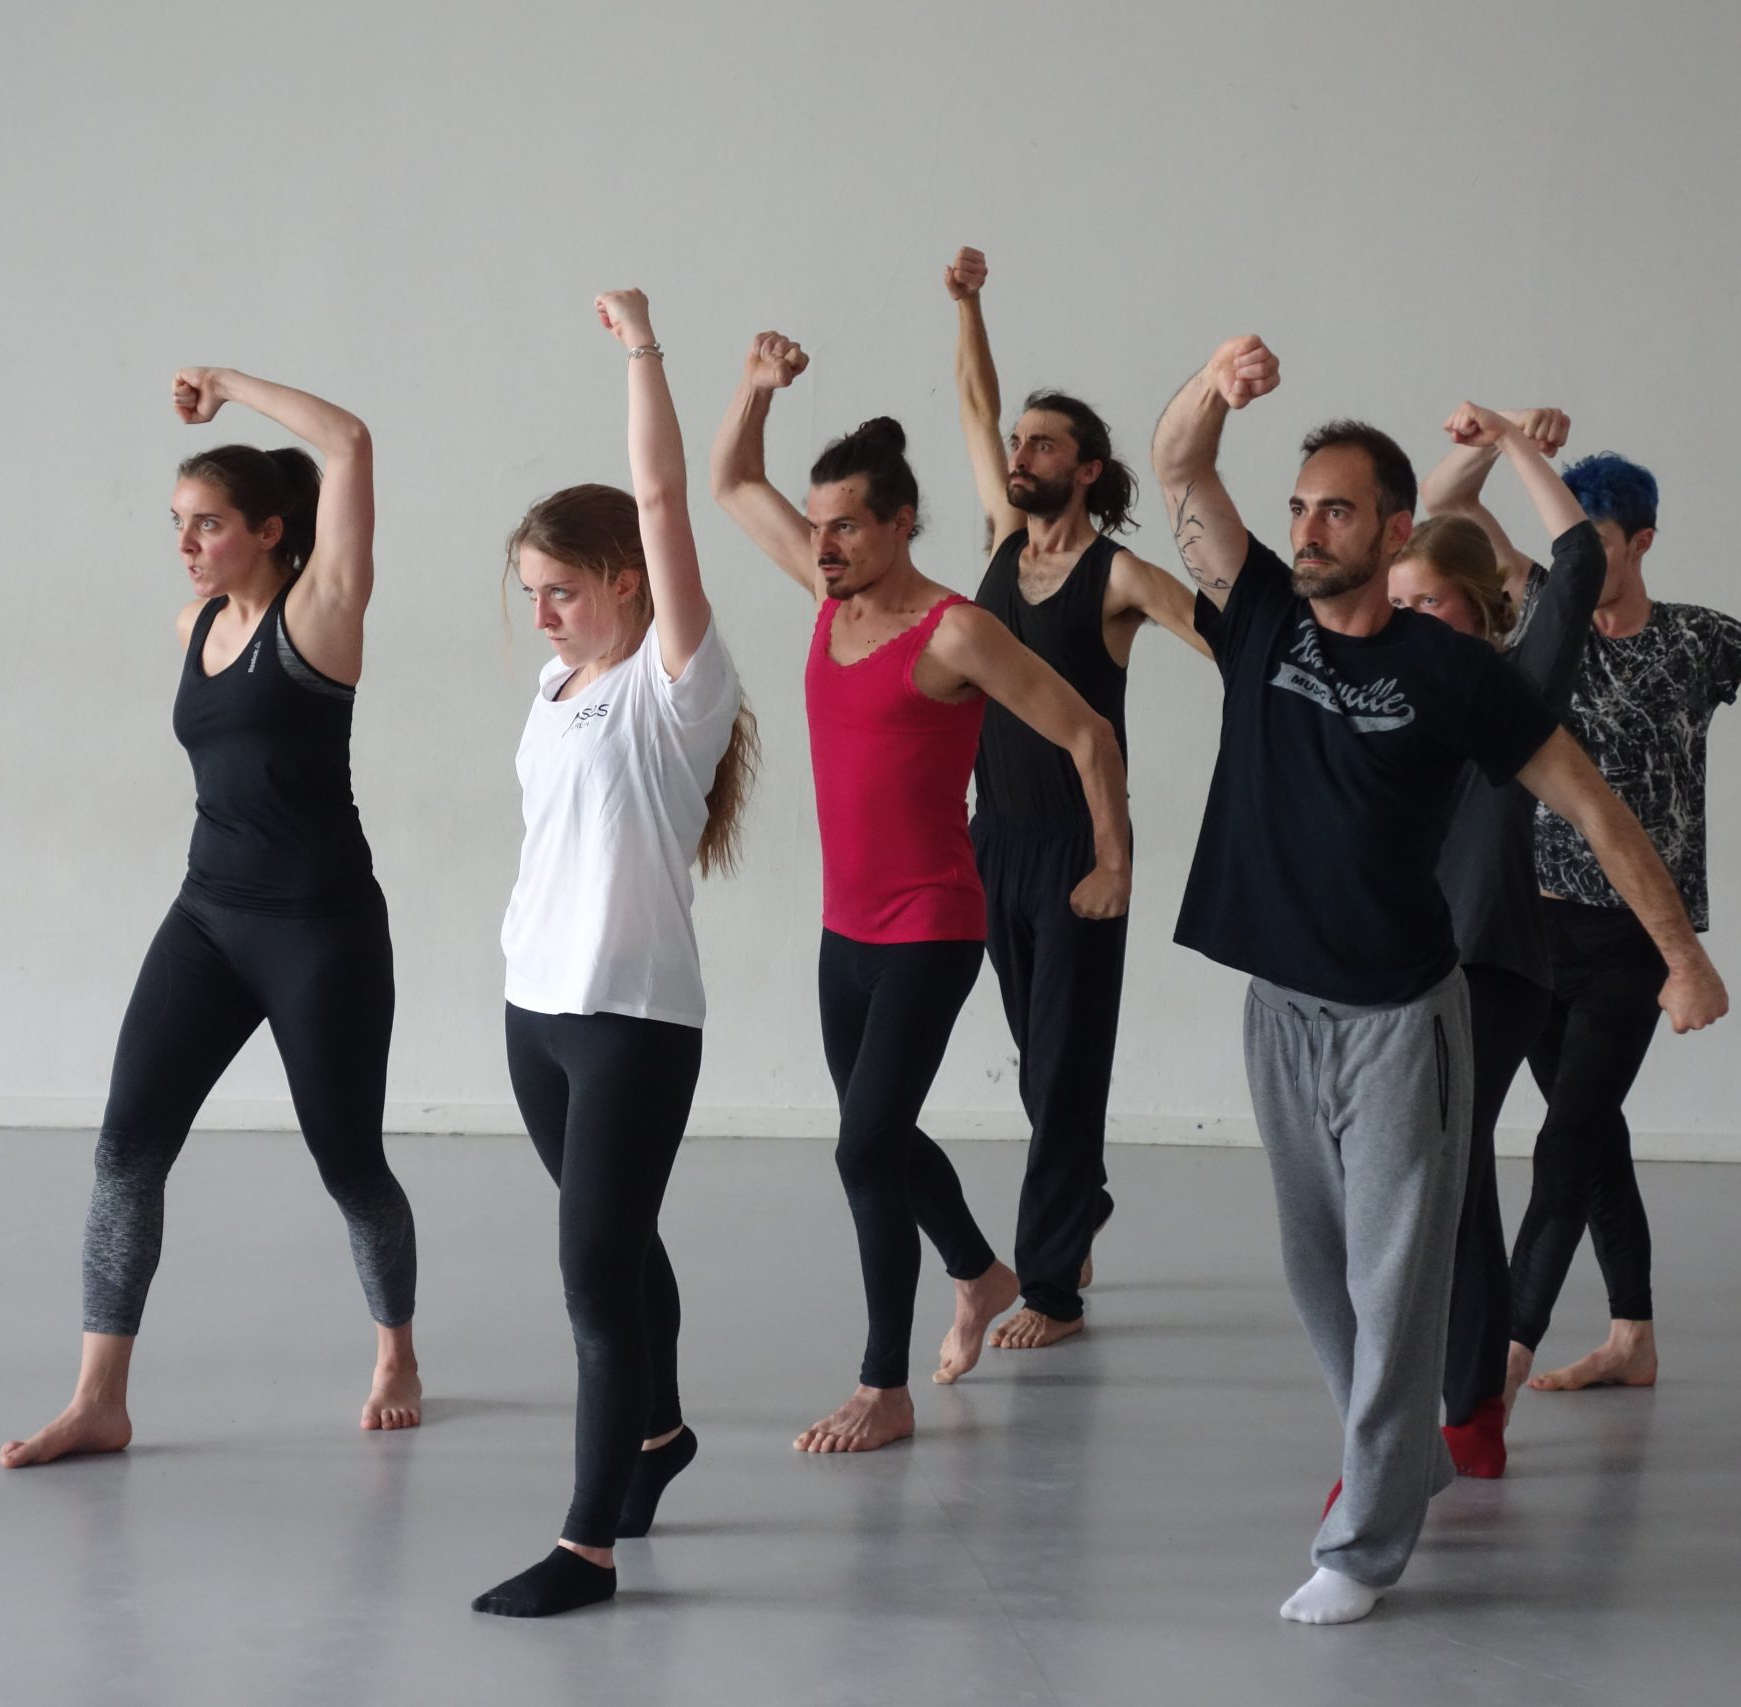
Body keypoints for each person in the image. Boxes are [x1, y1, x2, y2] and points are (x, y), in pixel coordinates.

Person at [1150, 335, 1727, 1624]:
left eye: (1336, 510)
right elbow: (1178, 464)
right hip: (1278, 1009)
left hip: (1401, 1018)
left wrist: (1681, 957)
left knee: (1392, 1284)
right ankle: (1400, 1455)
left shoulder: (1449, 671)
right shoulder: (1261, 619)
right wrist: (1213, 386)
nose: (1307, 528)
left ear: (1395, 528)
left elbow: (1592, 803)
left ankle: (1362, 1545)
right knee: (1319, 1277)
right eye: (1299, 507)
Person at [709, 330, 1132, 1453]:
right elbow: (730, 481)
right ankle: (982, 1272)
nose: (824, 543)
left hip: (932, 925)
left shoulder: (956, 632)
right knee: (880, 1136)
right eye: (818, 524)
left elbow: (1087, 733)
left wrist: (1113, 865)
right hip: (842, 931)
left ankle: (882, 1387)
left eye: (847, 525)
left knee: (862, 1148)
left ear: (902, 523)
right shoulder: (826, 594)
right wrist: (754, 388)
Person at [1, 368, 418, 1468]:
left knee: (349, 1164)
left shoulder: (321, 616)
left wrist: (228, 385)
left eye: (209, 524)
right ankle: (99, 1399)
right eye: (178, 523)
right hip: (207, 918)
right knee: (125, 1150)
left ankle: (396, 1351)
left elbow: (350, 441)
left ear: (270, 532)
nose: (185, 544)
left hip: (320, 930)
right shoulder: (195, 624)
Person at [470, 291, 759, 1620]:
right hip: (535, 1011)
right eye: (530, 592)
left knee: (591, 1276)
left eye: (562, 590)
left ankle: (587, 1548)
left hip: (631, 1019)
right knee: (620, 1240)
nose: (541, 614)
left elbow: (659, 494)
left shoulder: (673, 687)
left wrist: (641, 344)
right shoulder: (558, 688)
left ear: (626, 582)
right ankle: (659, 1434)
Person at [1502, 449, 1741, 1395]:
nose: (1579, 558)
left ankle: (1501, 1360)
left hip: (1637, 938)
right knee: (1594, 1134)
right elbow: (1452, 510)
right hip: (1533, 930)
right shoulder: (1543, 610)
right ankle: (1633, 1339)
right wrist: (1503, 439)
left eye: (1599, 544)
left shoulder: (1699, 637)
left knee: (1566, 1143)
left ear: (1642, 542)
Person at [943, 246, 1210, 1351]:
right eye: (1019, 442)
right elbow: (974, 402)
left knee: (1064, 1063)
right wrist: (969, 305)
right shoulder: (1004, 544)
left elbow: (1225, 641)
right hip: (992, 839)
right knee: (1036, 1053)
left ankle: (1051, 1285)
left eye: (1043, 444)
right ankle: (1080, 1201)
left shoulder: (1121, 577)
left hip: (1081, 850)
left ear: (1088, 469)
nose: (1018, 453)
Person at [1395, 400, 1606, 1479]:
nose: (1409, 616)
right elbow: (1427, 508)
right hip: (1401, 966)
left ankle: (1463, 1407)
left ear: (1475, 610)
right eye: (1399, 602)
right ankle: (1465, 1408)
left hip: (1489, 963)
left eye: (1428, 600)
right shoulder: (1381, 689)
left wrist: (1517, 443)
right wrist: (1475, 441)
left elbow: (1577, 564)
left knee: (1447, 1178)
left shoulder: (1515, 685)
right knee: (1446, 1179)